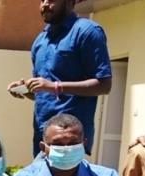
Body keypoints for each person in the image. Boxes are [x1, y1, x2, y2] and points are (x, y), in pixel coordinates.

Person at [8, 0, 112, 157]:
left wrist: (55, 86)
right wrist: (26, 90)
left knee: (70, 174)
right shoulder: (40, 41)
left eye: (51, 0)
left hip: (69, 138)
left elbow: (104, 85)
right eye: (42, 0)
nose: (45, 4)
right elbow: (44, 93)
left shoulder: (87, 32)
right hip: (42, 135)